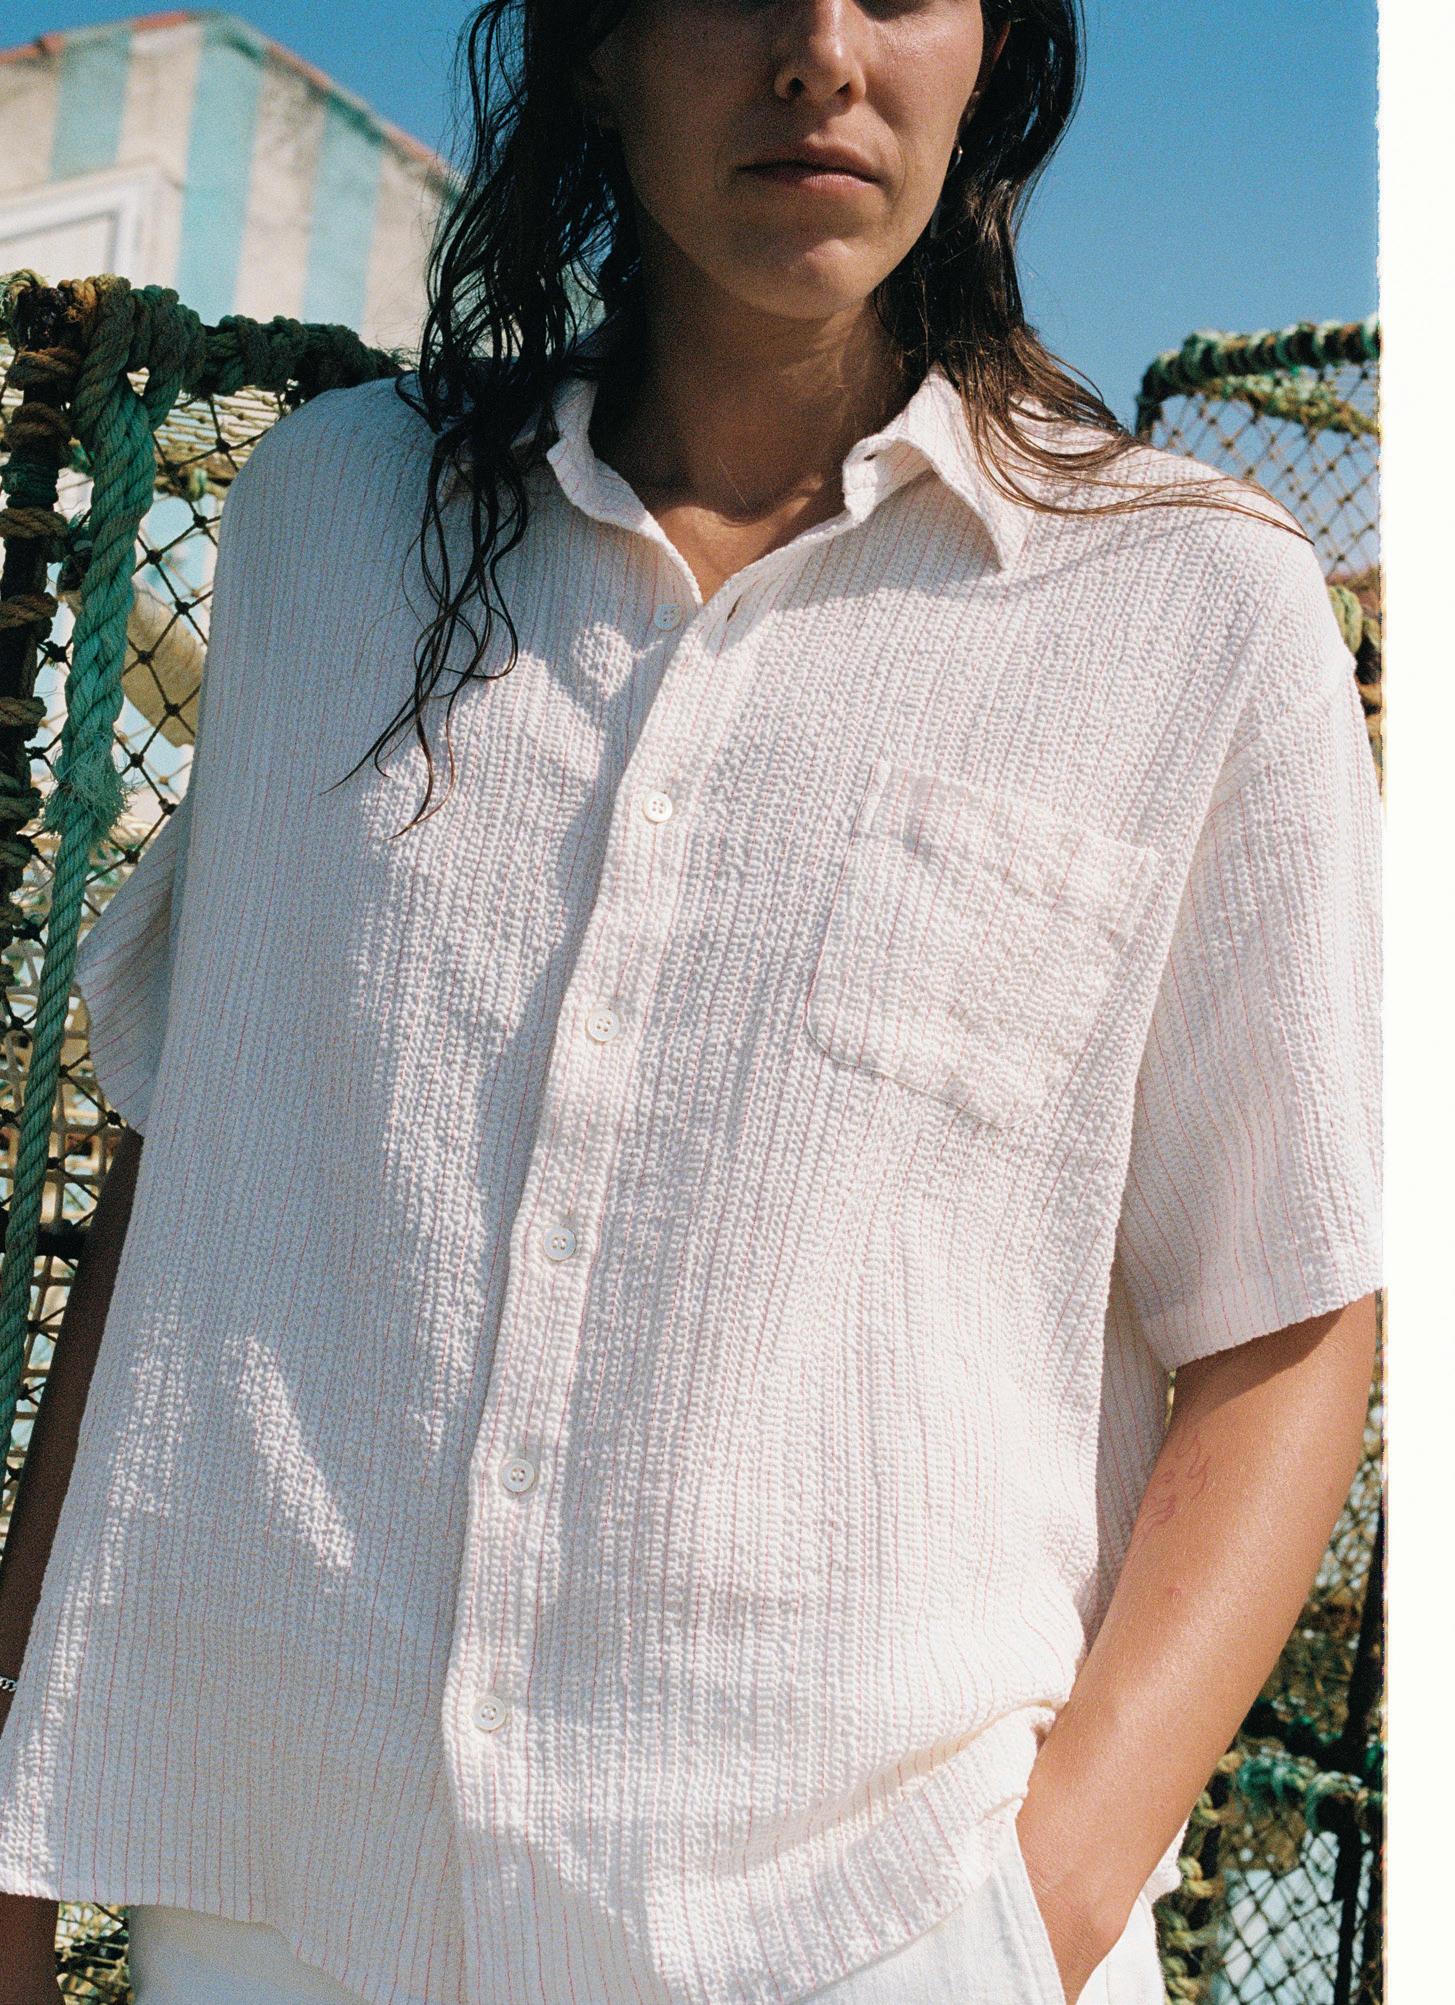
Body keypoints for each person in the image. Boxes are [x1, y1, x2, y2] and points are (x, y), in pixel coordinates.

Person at [0, 2, 1383, 2002]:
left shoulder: (1184, 610)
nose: (818, 50)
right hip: (285, 1908)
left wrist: (1034, 1910)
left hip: (859, 1929)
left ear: (991, 52)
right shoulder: (334, 522)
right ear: (594, 44)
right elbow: (183, 1181)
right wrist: (15, 1829)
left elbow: (1288, 1310)